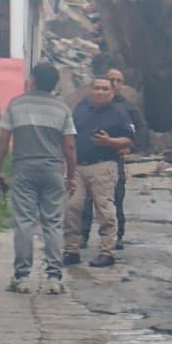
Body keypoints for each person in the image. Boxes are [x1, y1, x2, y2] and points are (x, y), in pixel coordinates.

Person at [0, 61, 76, 294]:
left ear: (33, 80)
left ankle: (22, 277)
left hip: (24, 170)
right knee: (53, 223)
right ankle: (54, 278)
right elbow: (69, 147)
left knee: (24, 222)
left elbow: (3, 141)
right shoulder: (62, 109)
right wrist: (71, 176)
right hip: (53, 171)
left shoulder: (16, 104)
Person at [63, 76, 133, 268]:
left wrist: (109, 142)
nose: (100, 92)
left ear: (112, 92)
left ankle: (106, 251)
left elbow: (129, 139)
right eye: (97, 88)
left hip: (104, 165)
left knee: (105, 209)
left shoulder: (119, 112)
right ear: (90, 90)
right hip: (78, 166)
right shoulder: (81, 110)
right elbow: (69, 135)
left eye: (105, 89)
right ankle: (71, 250)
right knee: (71, 207)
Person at [81, 68, 147, 251]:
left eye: (119, 81)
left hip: (112, 158)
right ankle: (82, 235)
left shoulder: (127, 107)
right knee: (84, 200)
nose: (115, 84)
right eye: (112, 80)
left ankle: (117, 236)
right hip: (87, 159)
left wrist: (129, 147)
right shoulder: (85, 105)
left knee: (115, 198)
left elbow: (141, 130)